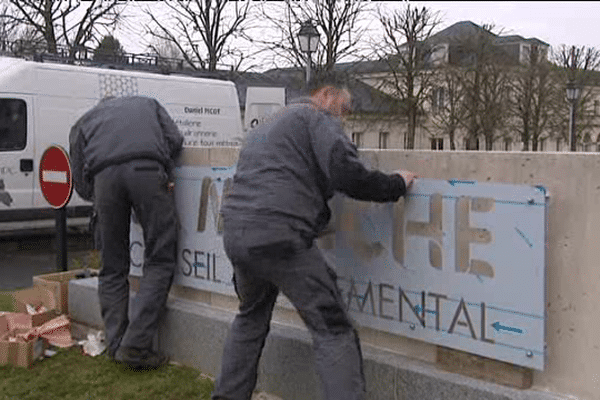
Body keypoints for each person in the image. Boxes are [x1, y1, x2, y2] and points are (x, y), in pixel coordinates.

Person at [212, 84, 417, 400]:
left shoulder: (266, 126)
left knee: (250, 318)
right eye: (345, 109)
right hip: (280, 236)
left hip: (238, 233)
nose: (345, 119)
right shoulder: (316, 118)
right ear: (327, 95)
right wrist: (396, 184)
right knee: (333, 329)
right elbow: (347, 175)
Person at [69, 96, 183, 369]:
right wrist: (163, 169)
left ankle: (116, 342)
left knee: (112, 267)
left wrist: (94, 194)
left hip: (105, 180)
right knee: (159, 259)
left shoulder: (85, 120)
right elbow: (176, 140)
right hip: (146, 169)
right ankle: (135, 345)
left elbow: (78, 172)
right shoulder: (149, 103)